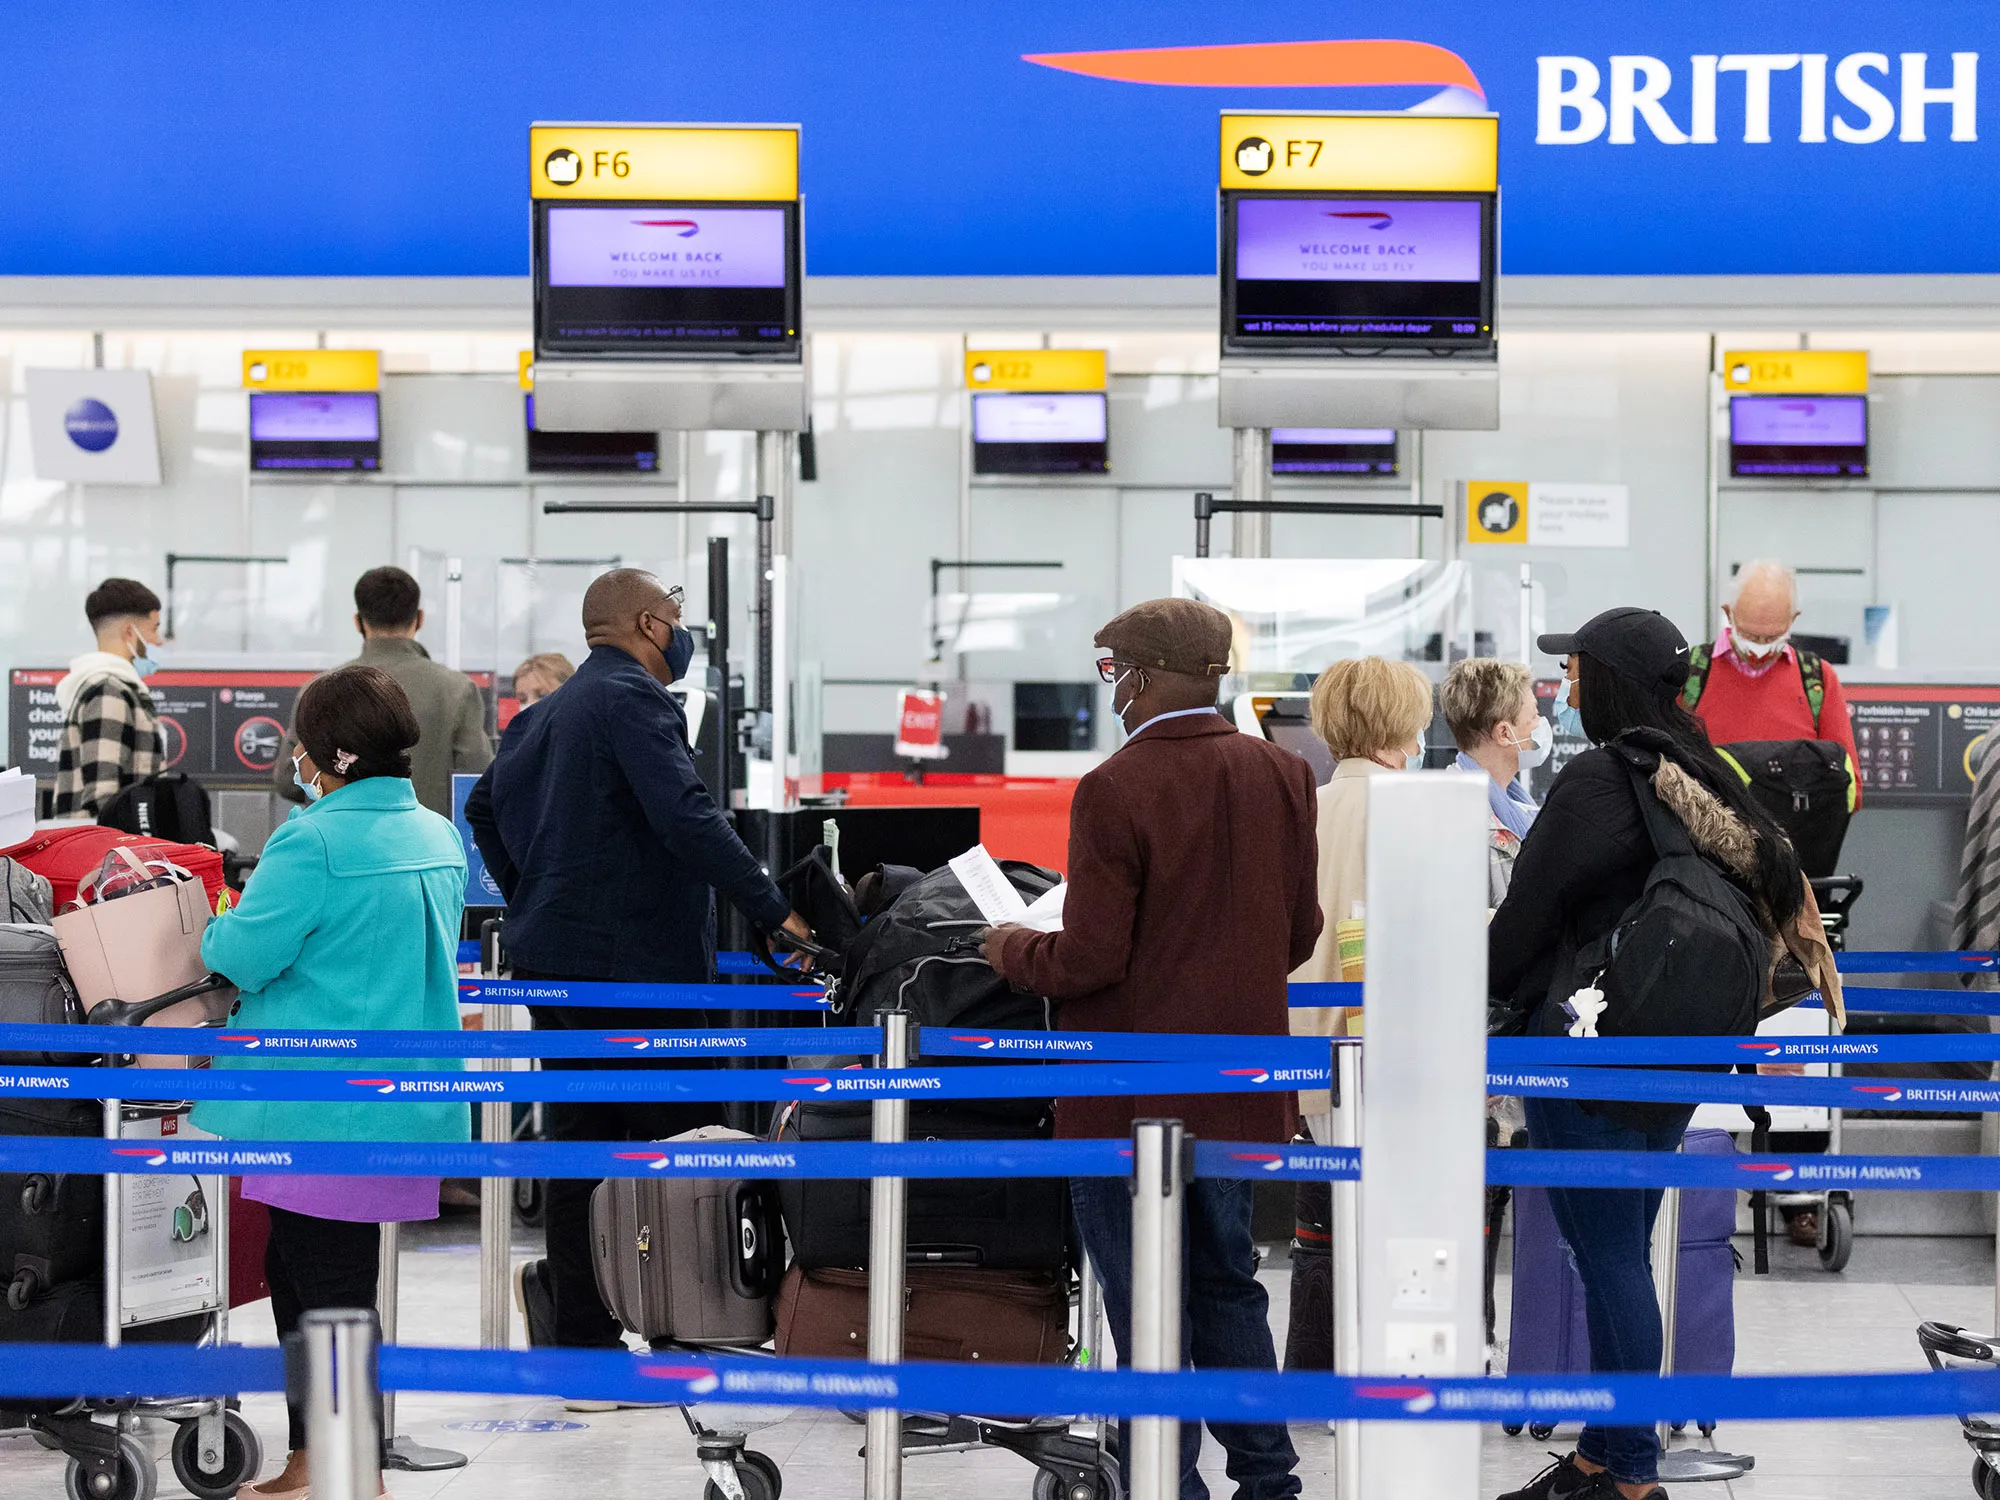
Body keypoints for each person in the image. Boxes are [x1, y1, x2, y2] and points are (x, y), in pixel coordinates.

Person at [984, 597, 1321, 1500]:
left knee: (1143, 1304)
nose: (1113, 693)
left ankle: (1167, 1485)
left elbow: (1091, 957)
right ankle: (1268, 1479)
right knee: (1229, 1285)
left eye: (1113, 671)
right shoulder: (1283, 775)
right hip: (1239, 1091)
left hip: (1126, 1098)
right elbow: (1299, 932)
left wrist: (1013, 947)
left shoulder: (1115, 788)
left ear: (1142, 674)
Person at [1488, 608, 1821, 1500]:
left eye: (1578, 674)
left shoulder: (1602, 779)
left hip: (1585, 1045)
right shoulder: (1701, 769)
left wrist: (1483, 990)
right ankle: (1603, 1455)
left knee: (1607, 1261)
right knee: (1621, 1256)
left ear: (1611, 681)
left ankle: (1632, 1477)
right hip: (1667, 1047)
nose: (1566, 692)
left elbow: (1530, 910)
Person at [466, 568, 809, 1367]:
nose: (681, 629)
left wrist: (533, 897)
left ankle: (583, 1339)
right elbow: (687, 816)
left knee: (579, 1144)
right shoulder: (635, 698)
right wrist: (775, 910)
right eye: (678, 613)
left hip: (555, 964)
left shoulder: (541, 714)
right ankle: (685, 1328)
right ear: (651, 623)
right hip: (636, 970)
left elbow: (483, 808)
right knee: (669, 1143)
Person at [192, 664, 468, 1500]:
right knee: (313, 1270)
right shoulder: (433, 832)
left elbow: (240, 956)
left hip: (317, 1099)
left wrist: (217, 914)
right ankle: (316, 1460)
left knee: (330, 1289)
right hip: (399, 1095)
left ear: (330, 753)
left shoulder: (311, 840)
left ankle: (352, 1473)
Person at [1288, 655, 1433, 1137]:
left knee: (1343, 1201)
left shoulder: (1301, 811)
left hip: (1307, 1053)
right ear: (1402, 725)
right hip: (1390, 1058)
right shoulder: (1416, 810)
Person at [275, 566, 492, 817]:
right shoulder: (457, 690)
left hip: (336, 845)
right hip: (424, 847)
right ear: (419, 619)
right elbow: (477, 778)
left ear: (358, 622)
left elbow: (288, 780)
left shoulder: (318, 690)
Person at [1682, 560, 1860, 807]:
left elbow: (1849, 786)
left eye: (1773, 636)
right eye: (1750, 635)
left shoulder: (1817, 680)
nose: (1759, 649)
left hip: (1791, 834)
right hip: (1707, 833)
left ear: (1793, 619)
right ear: (1728, 613)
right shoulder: (1691, 674)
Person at [52, 578, 167, 817]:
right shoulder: (109, 691)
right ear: (129, 632)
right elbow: (103, 799)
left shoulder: (114, 688)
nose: (159, 640)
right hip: (107, 849)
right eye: (154, 628)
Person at [1441, 657, 1549, 905]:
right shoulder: (1458, 819)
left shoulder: (1513, 805)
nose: (1541, 724)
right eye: (1534, 716)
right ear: (1504, 734)